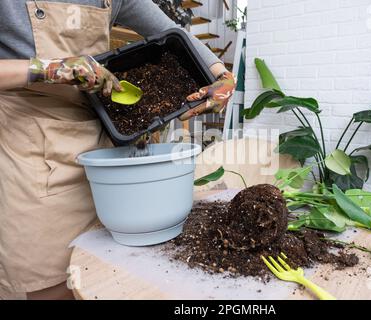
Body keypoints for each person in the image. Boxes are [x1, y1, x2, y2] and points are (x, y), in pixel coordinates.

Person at [0, 0, 236, 299]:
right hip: (34, 153)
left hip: (105, 146)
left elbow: (172, 31)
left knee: (108, 277)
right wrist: (48, 69)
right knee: (52, 284)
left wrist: (222, 75)